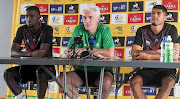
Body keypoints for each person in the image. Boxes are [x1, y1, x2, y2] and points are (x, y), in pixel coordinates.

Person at [58, 5, 115, 99]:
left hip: (101, 71)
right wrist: (78, 53)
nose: (87, 20)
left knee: (107, 81)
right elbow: (69, 51)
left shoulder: (104, 29)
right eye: (84, 17)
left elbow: (110, 53)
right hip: (82, 70)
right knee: (62, 79)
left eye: (90, 17)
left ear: (98, 18)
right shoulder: (79, 29)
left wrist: (87, 50)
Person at [3, 6, 55, 99]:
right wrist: (30, 54)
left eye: (32, 16)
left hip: (46, 68)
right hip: (28, 67)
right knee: (8, 73)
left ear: (39, 17)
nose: (28, 19)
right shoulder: (22, 29)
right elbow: (13, 52)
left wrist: (22, 53)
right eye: (26, 16)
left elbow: (42, 53)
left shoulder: (46, 29)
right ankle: (22, 98)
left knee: (40, 73)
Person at [130, 5, 179, 99]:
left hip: (167, 70)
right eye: (152, 13)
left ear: (165, 17)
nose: (154, 15)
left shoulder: (171, 29)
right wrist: (159, 52)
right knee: (134, 82)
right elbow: (135, 53)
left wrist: (147, 56)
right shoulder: (142, 30)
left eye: (158, 13)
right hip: (147, 69)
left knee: (169, 83)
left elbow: (175, 56)